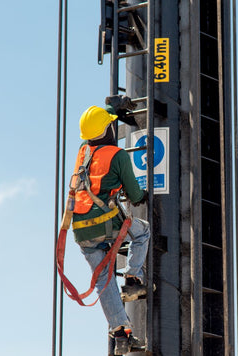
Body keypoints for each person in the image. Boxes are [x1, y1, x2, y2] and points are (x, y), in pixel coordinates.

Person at [72, 96, 150, 355]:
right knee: (142, 231)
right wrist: (143, 195)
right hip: (107, 224)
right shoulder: (117, 156)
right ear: (107, 130)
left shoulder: (84, 151)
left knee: (103, 280)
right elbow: (135, 196)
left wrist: (113, 107)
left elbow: (98, 121)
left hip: (81, 231)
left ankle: (121, 334)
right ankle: (132, 277)